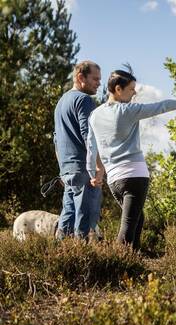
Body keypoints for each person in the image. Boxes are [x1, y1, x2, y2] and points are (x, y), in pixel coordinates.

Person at [86, 67, 176, 250]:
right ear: (118, 89)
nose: (134, 93)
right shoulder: (128, 110)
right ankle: (118, 264)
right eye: (131, 89)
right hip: (134, 176)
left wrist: (95, 172)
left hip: (113, 180)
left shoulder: (95, 115)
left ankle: (135, 259)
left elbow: (92, 146)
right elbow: (162, 106)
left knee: (137, 218)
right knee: (127, 227)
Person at [53, 60, 104, 240]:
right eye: (95, 79)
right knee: (85, 221)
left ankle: (59, 259)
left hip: (67, 171)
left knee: (66, 219)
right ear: (81, 77)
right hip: (83, 170)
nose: (99, 83)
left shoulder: (61, 103)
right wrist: (98, 166)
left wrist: (62, 169)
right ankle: (79, 262)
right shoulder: (84, 100)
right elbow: (88, 136)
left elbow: (56, 140)